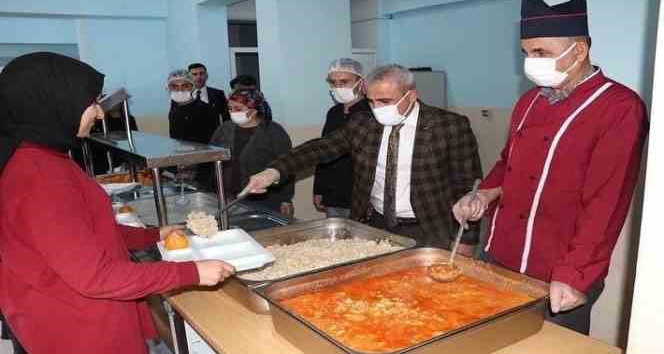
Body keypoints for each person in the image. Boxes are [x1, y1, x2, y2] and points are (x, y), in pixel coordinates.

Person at [0, 52, 235, 354]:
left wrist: (150, 235)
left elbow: (80, 231)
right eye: (92, 102)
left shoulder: (35, 156)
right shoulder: (41, 175)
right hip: (79, 329)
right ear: (53, 102)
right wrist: (192, 272)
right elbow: (94, 276)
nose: (99, 113)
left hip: (61, 312)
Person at [452, 0, 648, 335]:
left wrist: (575, 275)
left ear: (580, 49)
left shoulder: (619, 108)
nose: (531, 62)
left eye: (541, 52)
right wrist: (484, 195)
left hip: (557, 267)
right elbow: (507, 164)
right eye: (527, 52)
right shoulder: (529, 101)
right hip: (500, 255)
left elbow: (607, 203)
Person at [242, 64, 482, 251]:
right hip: (375, 223)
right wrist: (273, 172)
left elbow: (469, 186)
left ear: (411, 95)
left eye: (385, 101)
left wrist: (467, 240)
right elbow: (319, 148)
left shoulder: (449, 126)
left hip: (430, 227)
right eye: (371, 101)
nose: (377, 108)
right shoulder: (363, 123)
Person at [208, 89, 294, 218]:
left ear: (253, 110)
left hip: (264, 198)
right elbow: (211, 156)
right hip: (229, 198)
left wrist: (286, 199)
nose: (232, 112)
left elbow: (288, 165)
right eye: (230, 108)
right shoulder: (224, 129)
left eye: (237, 108)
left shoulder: (273, 131)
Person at [313, 58, 371, 218]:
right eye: (333, 82)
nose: (338, 87)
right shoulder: (334, 113)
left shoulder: (372, 112)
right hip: (333, 194)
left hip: (362, 194)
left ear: (361, 82)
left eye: (344, 82)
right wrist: (319, 189)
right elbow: (323, 152)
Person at [168, 69, 221, 144]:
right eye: (174, 86)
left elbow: (214, 141)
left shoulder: (205, 109)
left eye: (185, 86)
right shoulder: (174, 108)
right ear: (169, 89)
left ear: (193, 87)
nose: (180, 90)